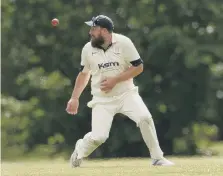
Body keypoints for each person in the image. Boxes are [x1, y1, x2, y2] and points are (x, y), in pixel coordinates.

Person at [66, 15, 174, 167]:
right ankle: (79, 150)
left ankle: (157, 158)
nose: (90, 32)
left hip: (126, 94)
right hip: (102, 99)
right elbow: (84, 74)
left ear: (104, 31)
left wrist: (115, 80)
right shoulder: (87, 49)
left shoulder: (124, 43)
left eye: (93, 29)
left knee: (144, 118)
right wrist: (74, 98)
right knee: (99, 137)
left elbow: (138, 67)